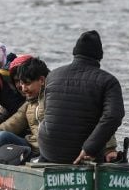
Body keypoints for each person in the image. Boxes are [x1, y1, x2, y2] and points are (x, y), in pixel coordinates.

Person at [37, 30, 124, 164]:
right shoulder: (108, 81)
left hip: (48, 150)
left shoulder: (53, 75)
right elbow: (113, 116)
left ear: (75, 52)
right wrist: (90, 148)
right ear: (99, 56)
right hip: (82, 154)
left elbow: (46, 112)